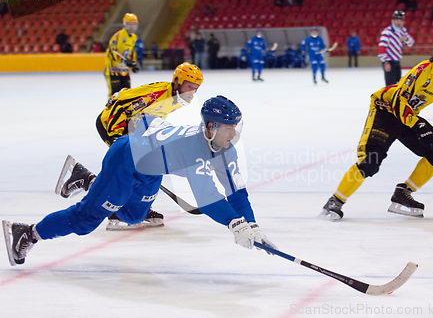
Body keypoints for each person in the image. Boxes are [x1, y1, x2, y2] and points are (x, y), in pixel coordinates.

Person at [3, 95, 278, 266]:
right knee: (85, 220)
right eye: (228, 128)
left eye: (235, 127)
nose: (233, 134)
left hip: (150, 168)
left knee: (135, 217)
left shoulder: (225, 149)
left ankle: (87, 180)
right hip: (125, 160)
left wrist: (251, 224)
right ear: (210, 127)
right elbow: (207, 197)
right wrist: (235, 224)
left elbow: (237, 192)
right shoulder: (193, 148)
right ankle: (27, 232)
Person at [320, 36, 433, 220]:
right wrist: (417, 123)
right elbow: (399, 99)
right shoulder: (422, 70)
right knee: (370, 161)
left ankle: (403, 192)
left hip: (408, 117)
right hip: (386, 111)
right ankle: (336, 201)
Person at [58, 63, 204, 231]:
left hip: (131, 132)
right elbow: (119, 102)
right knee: (129, 170)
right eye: (189, 86)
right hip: (112, 127)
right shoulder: (157, 95)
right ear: (177, 81)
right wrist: (117, 138)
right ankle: (95, 188)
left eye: (195, 88)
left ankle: (134, 205)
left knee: (145, 169)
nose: (192, 93)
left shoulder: (178, 99)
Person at [104, 13, 140, 99]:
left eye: (134, 24)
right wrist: (124, 61)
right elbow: (112, 51)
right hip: (113, 69)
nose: (132, 26)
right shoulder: (118, 35)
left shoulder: (134, 38)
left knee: (126, 94)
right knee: (114, 95)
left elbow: (132, 52)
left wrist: (133, 63)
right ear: (125, 24)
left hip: (124, 70)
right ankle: (111, 112)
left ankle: (124, 112)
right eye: (129, 24)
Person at [378, 10, 414, 86]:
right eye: (397, 20)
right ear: (393, 21)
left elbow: (411, 42)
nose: (399, 22)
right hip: (389, 61)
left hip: (397, 60)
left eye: (401, 20)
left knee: (398, 84)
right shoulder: (387, 32)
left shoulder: (402, 31)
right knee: (390, 84)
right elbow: (382, 47)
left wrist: (406, 39)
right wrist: (385, 62)